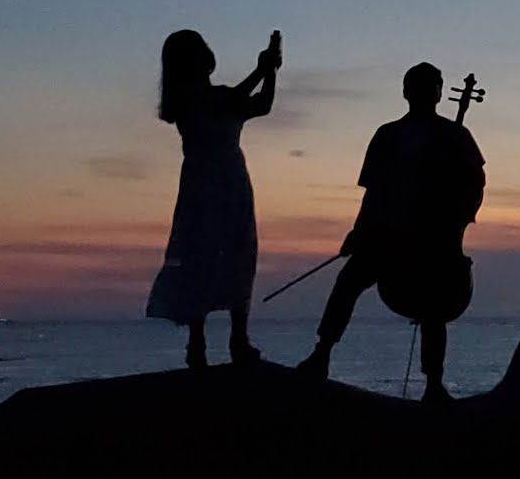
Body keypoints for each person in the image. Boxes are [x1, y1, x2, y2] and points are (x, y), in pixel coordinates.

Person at [298, 63, 485, 403]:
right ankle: (321, 353)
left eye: (432, 86)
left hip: (433, 238)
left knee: (434, 306)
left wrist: (450, 214)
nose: (428, 92)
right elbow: (374, 191)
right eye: (423, 86)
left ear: (438, 93)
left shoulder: (454, 136)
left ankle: (433, 383)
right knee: (349, 281)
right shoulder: (387, 135)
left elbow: (474, 184)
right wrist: (359, 231)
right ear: (407, 92)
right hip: (388, 234)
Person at [146, 29, 281, 368]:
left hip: (232, 181)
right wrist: (263, 68)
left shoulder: (219, 97)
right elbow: (237, 99)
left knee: (239, 252)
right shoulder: (190, 101)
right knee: (201, 255)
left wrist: (271, 71)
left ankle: (237, 338)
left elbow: (261, 104)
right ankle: (199, 342)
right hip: (205, 185)